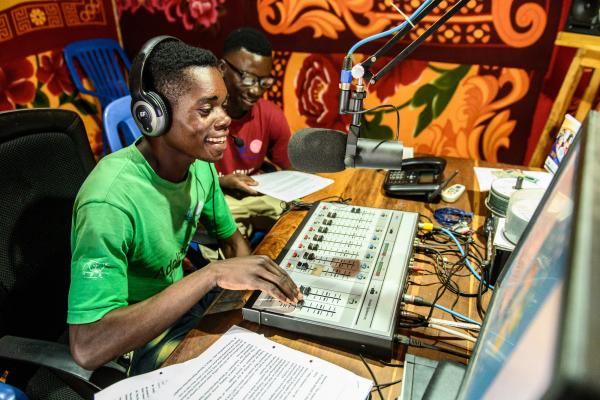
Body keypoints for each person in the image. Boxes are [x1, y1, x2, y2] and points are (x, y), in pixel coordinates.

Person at [67, 37, 301, 376]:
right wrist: (213, 274)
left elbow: (230, 239)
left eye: (222, 105)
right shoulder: (109, 200)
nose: (224, 120)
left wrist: (254, 298)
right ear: (153, 117)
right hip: (135, 345)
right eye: (206, 110)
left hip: (185, 313)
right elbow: (88, 347)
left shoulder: (200, 166)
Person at [214, 27, 292, 241]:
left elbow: (293, 168)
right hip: (213, 197)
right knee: (231, 244)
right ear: (221, 68)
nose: (256, 90)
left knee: (299, 218)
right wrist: (223, 182)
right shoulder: (198, 116)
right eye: (248, 78)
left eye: (264, 82)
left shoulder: (269, 114)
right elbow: (179, 183)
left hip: (257, 193)